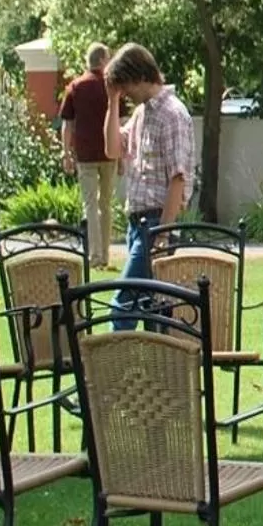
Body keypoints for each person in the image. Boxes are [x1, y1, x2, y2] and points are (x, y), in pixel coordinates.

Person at [102, 43, 195, 320]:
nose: (125, 94)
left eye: (125, 87)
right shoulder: (143, 113)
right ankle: (151, 363)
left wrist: (162, 233)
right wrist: (112, 101)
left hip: (155, 224)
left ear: (141, 77)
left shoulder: (172, 115)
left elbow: (178, 178)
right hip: (137, 224)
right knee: (149, 308)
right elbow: (112, 149)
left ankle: (107, 362)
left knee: (123, 304)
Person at [58, 43, 116, 269]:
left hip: (85, 155)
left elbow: (67, 125)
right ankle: (106, 255)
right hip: (109, 153)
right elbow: (120, 121)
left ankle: (95, 256)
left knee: (90, 205)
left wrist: (66, 153)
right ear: (102, 61)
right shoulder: (111, 86)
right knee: (106, 205)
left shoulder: (75, 87)